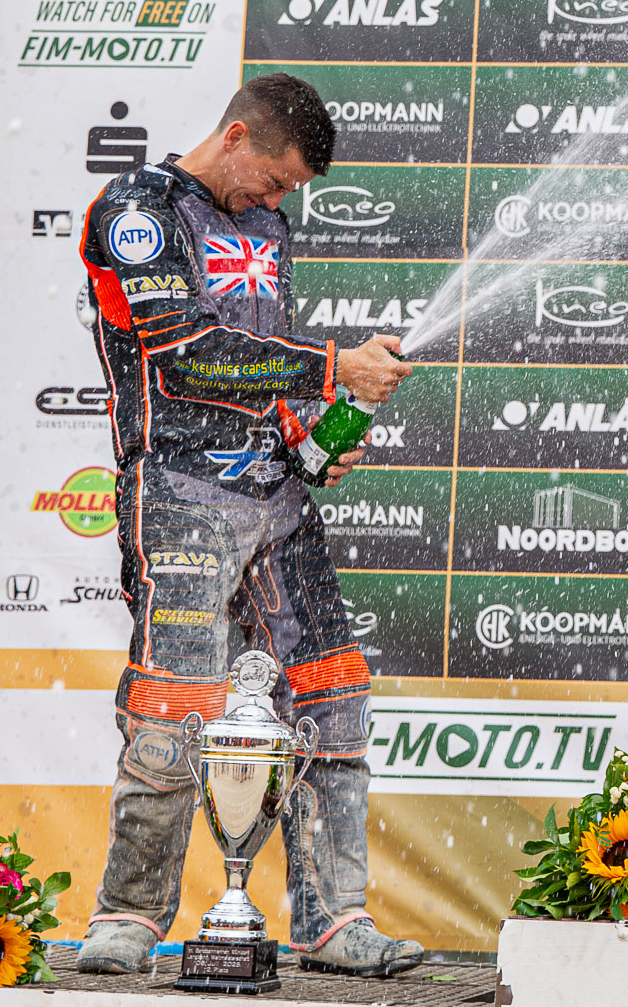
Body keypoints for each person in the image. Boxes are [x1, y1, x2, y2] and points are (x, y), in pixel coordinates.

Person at [74, 73, 423, 977]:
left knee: (331, 694)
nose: (276, 197)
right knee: (174, 705)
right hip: (180, 493)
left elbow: (266, 355)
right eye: (273, 178)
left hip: (277, 499)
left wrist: (310, 434)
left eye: (290, 189)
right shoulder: (137, 208)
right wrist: (334, 365)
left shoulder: (267, 222)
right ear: (235, 137)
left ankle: (333, 920)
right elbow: (186, 353)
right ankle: (127, 915)